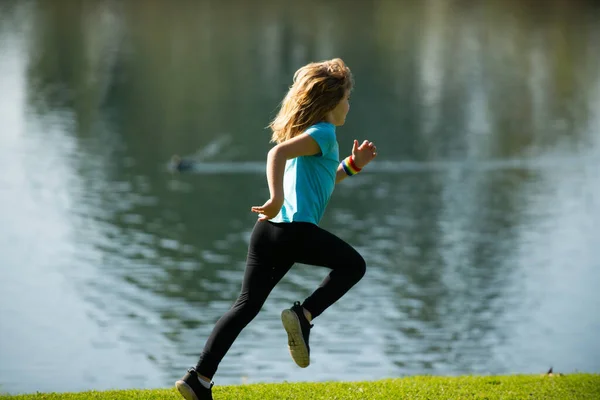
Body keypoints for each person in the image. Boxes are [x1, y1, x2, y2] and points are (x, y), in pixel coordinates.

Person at [175, 58, 378, 400]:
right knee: (354, 266)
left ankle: (200, 378)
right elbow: (276, 155)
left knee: (245, 306)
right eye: (346, 97)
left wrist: (353, 166)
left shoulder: (312, 135)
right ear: (330, 103)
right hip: (294, 230)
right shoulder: (325, 133)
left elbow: (324, 179)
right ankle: (304, 313)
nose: (349, 104)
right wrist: (275, 197)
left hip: (268, 231)